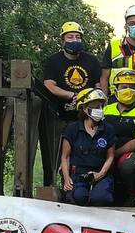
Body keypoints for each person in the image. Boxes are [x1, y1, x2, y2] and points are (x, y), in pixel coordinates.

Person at [41, 21, 101, 186]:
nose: (74, 39)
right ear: (62, 40)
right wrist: (72, 95)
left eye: (78, 37)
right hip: (61, 115)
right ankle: (57, 184)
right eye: (70, 36)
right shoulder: (54, 61)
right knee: (58, 153)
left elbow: (98, 86)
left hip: (88, 115)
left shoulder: (91, 61)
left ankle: (89, 183)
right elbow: (49, 85)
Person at [103, 69, 135, 206]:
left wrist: (114, 154)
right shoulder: (106, 109)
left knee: (129, 165)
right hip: (105, 150)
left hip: (129, 154)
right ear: (115, 91)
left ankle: (134, 195)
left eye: (132, 87)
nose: (128, 90)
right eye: (124, 87)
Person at [61, 88, 115, 206]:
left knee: (101, 198)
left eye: (101, 106)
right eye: (96, 107)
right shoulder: (73, 129)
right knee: (79, 197)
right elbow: (65, 157)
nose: (99, 110)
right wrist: (66, 178)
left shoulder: (108, 129)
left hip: (101, 173)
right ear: (84, 108)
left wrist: (101, 174)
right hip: (79, 174)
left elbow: (110, 156)